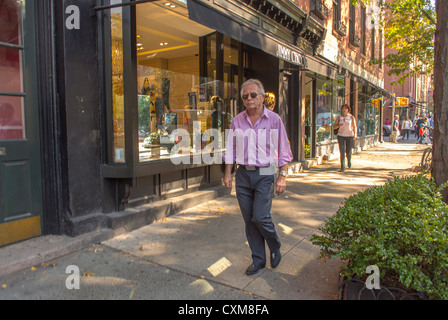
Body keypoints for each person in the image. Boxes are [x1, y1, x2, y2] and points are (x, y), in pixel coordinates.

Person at [223, 79, 292, 276]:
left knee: (260, 217)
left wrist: (282, 176)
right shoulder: (237, 120)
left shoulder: (274, 120)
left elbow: (284, 150)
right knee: (249, 220)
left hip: (265, 173)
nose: (249, 99)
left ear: (262, 97)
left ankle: (275, 245)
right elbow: (231, 149)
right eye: (245, 96)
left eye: (253, 95)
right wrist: (228, 174)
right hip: (243, 174)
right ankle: (259, 259)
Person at [333, 104, 357, 172]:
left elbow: (354, 126)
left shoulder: (351, 117)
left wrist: (355, 134)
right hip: (341, 136)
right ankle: (342, 167)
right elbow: (334, 127)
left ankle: (349, 161)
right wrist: (338, 125)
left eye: (346, 108)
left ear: (348, 110)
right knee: (342, 151)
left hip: (349, 135)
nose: (344, 110)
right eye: (343, 108)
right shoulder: (339, 117)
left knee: (348, 151)